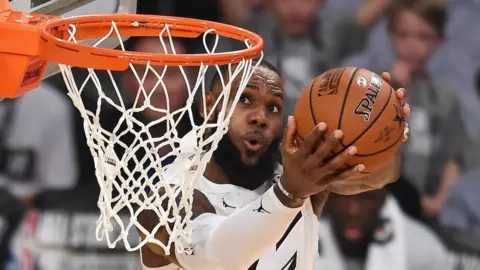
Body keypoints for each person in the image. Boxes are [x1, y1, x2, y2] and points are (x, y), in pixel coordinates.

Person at [137, 60, 410, 270]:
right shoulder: (168, 197)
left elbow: (382, 174)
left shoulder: (301, 175)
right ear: (208, 106)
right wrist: (290, 193)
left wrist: (383, 129)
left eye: (273, 107)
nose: (260, 118)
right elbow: (220, 253)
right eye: (244, 99)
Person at [317, 188, 448, 270]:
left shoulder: (422, 250)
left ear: (383, 198)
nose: (353, 210)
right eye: (343, 195)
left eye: (366, 197)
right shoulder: (299, 241)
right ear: (326, 197)